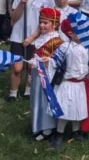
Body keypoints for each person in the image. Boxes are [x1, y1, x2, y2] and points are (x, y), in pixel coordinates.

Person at [50, 19, 89, 149]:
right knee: (65, 110)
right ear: (71, 33)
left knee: (79, 109)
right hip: (68, 83)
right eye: (78, 33)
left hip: (81, 84)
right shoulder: (65, 47)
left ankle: (76, 131)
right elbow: (55, 62)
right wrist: (47, 62)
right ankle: (59, 133)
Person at [7, 0, 52, 102]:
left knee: (31, 66)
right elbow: (14, 17)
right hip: (18, 35)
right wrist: (21, 3)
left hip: (37, 37)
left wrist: (33, 36)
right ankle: (12, 93)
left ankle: (28, 91)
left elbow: (47, 21)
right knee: (17, 67)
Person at [25, 8, 65, 141]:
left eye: (45, 23)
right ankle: (38, 125)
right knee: (37, 100)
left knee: (45, 101)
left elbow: (58, 61)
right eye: (41, 22)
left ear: (54, 24)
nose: (42, 25)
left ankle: (48, 128)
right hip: (38, 74)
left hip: (48, 77)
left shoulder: (57, 41)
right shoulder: (42, 38)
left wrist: (46, 63)